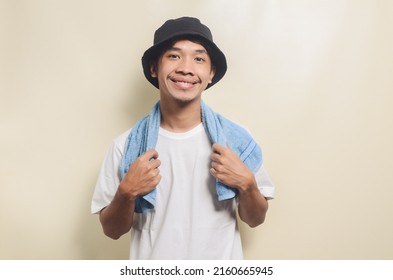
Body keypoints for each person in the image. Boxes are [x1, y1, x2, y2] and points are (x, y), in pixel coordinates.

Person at [91, 16, 275, 259]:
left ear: (211, 73)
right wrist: (126, 193)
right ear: (154, 68)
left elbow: (255, 219)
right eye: (174, 56)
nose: (186, 68)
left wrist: (247, 184)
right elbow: (112, 231)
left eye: (199, 58)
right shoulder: (125, 146)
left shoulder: (236, 140)